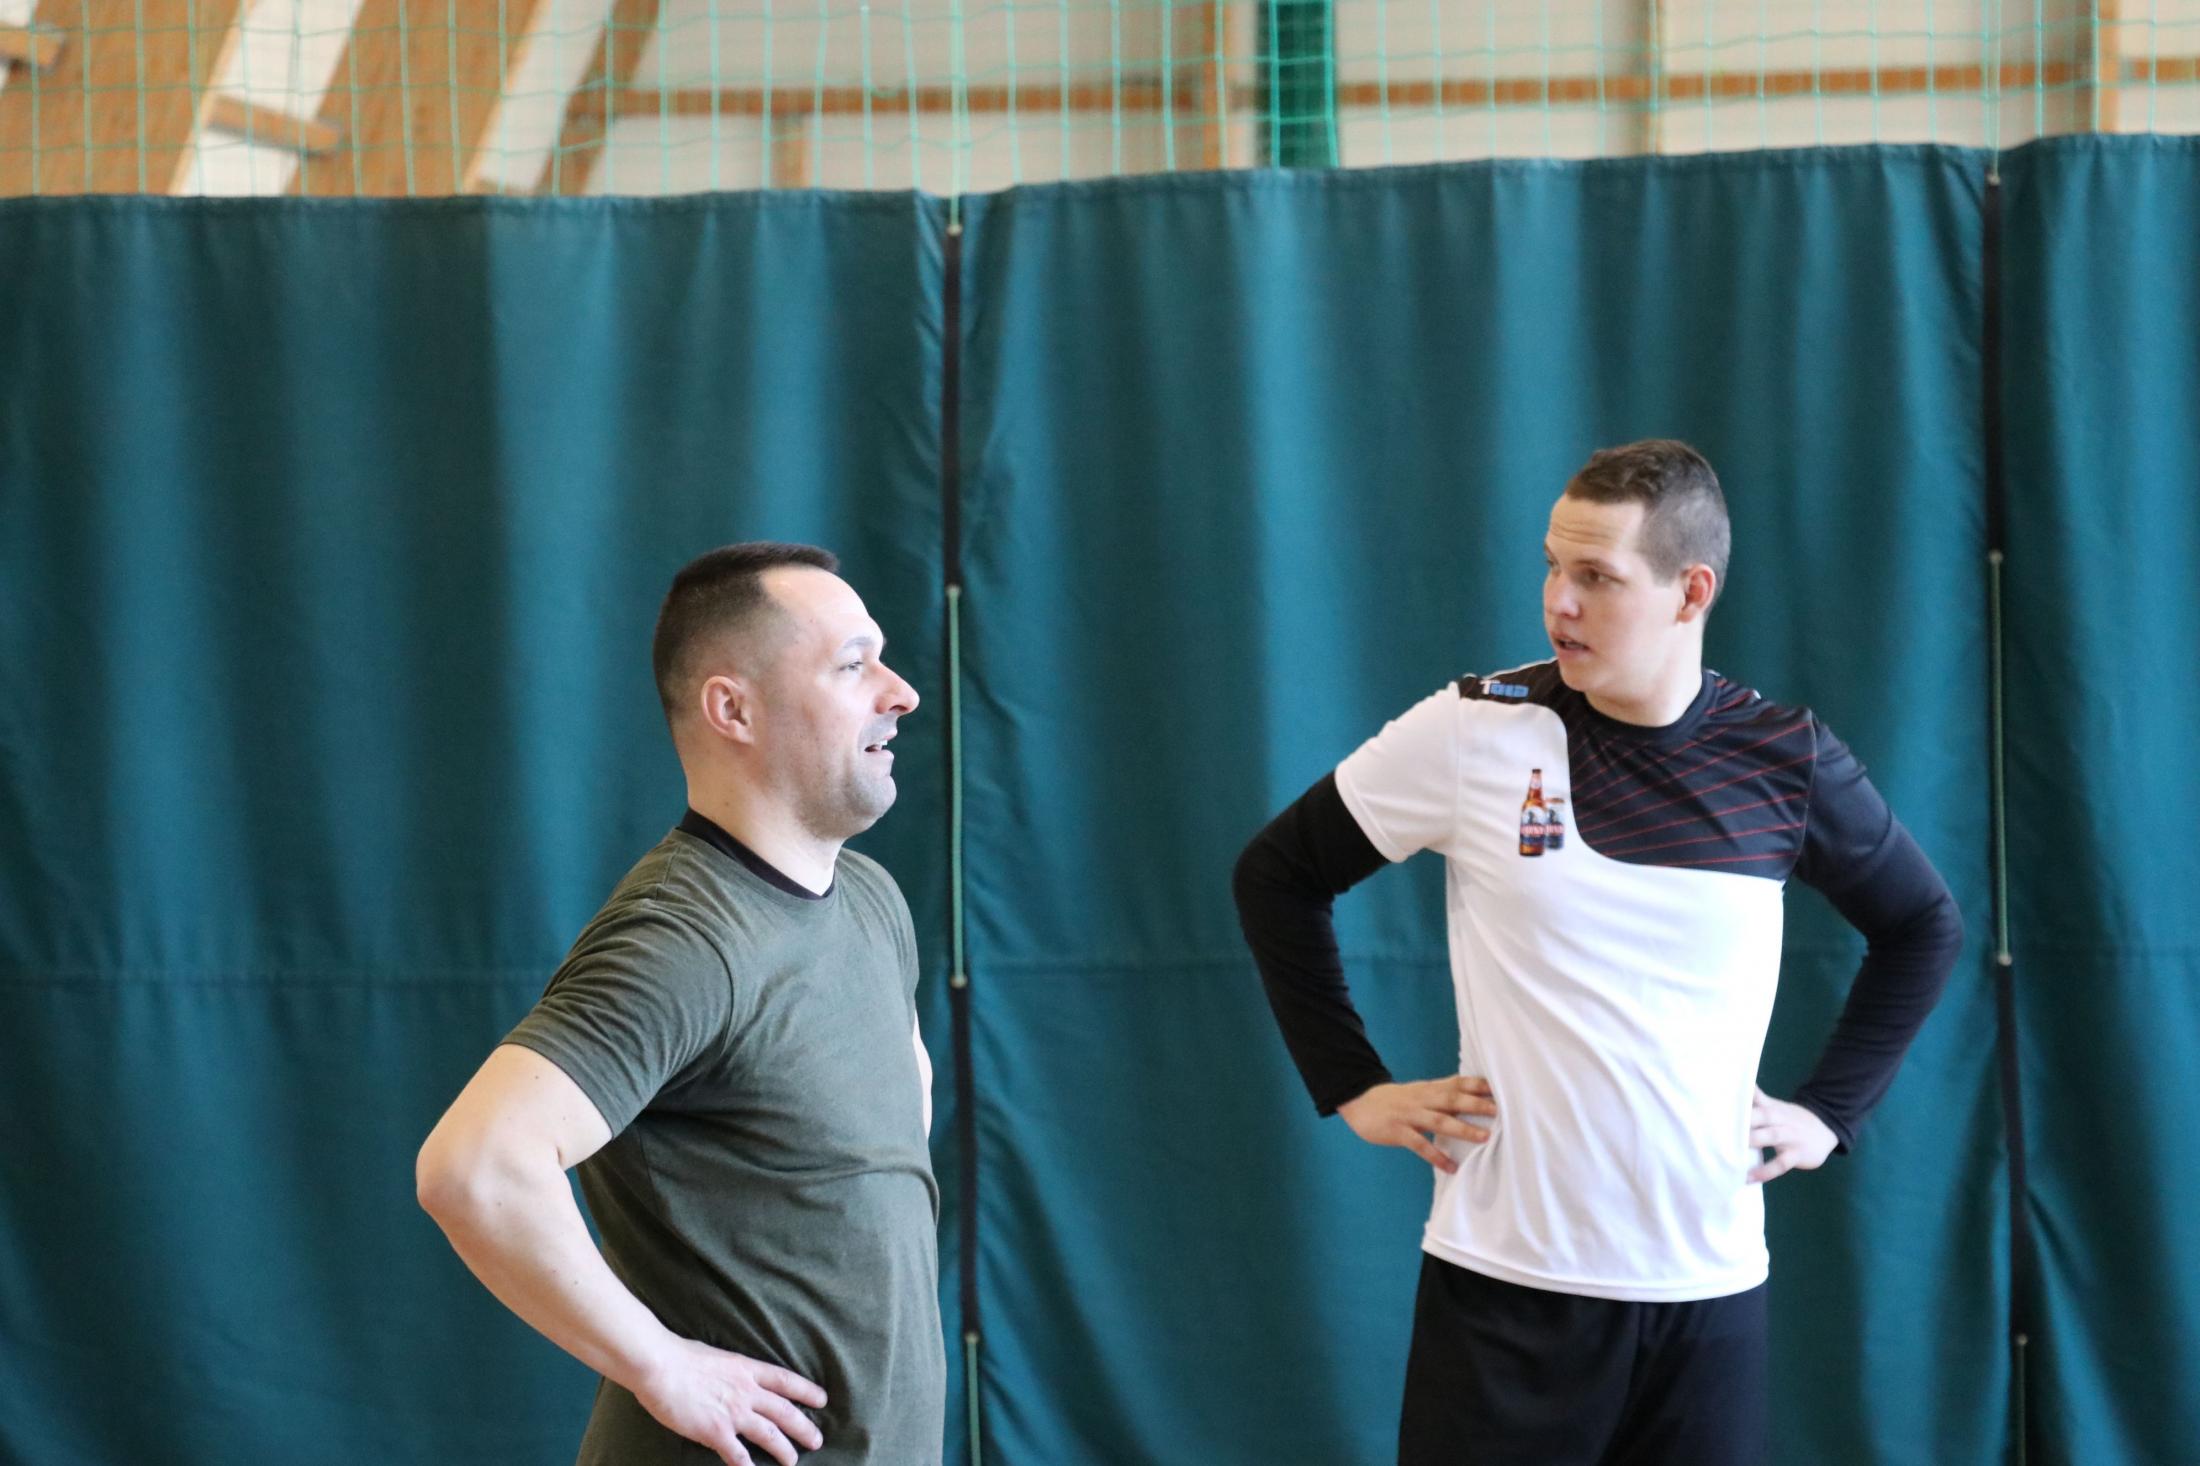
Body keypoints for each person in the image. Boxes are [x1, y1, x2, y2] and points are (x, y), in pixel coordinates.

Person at [1231, 440, 1964, 1466]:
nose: (1557, 602)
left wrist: (1828, 1111)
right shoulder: (1475, 728)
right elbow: (1276, 875)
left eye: (1596, 576)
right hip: (1503, 1291)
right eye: (1551, 566)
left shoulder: (1784, 757)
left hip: (1706, 1298)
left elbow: (1922, 925)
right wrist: (1352, 1085)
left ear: (1690, 591)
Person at [416, 542, 942, 1466]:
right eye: (852, 665)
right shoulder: (683, 937)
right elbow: (475, 1169)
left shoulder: (872, 902)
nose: (900, 693)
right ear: (733, 709)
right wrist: (662, 1366)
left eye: (884, 660)